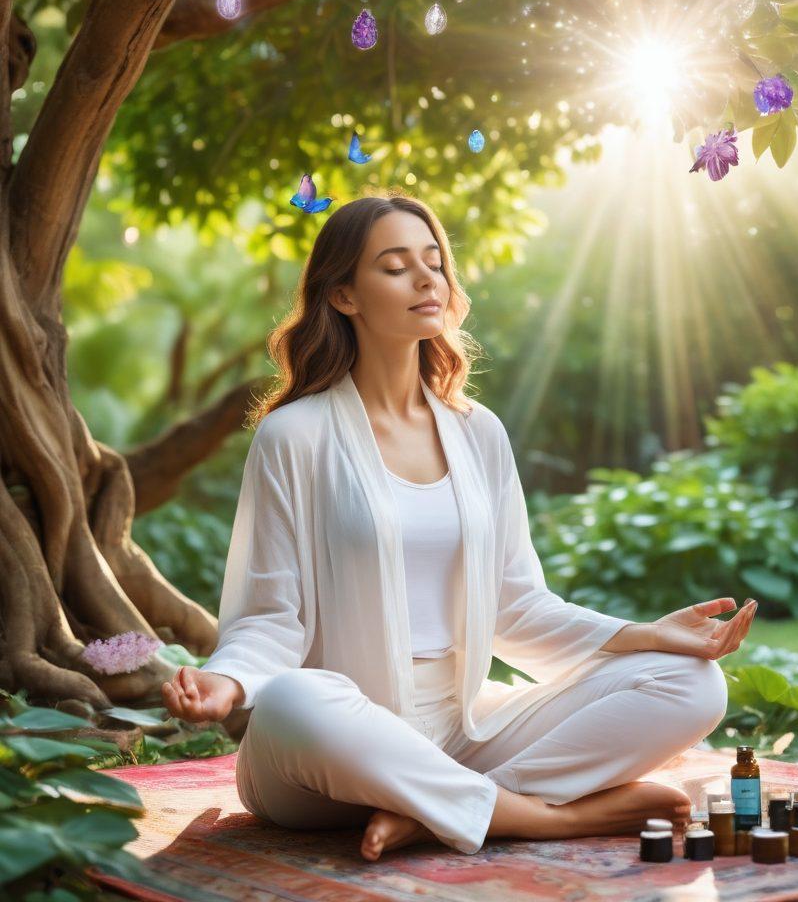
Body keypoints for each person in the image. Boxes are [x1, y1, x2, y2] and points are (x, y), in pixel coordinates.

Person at [161, 192, 758, 863]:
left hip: (462, 728)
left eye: (434, 262)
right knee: (299, 698)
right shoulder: (294, 435)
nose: (426, 279)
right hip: (325, 754)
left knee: (692, 683)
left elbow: (517, 606)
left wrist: (646, 635)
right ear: (344, 296)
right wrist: (229, 681)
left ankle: (436, 810)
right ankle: (544, 818)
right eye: (395, 266)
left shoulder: (479, 433)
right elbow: (272, 619)